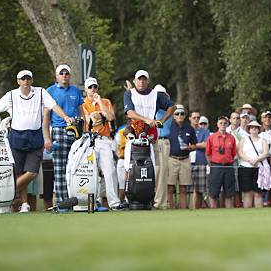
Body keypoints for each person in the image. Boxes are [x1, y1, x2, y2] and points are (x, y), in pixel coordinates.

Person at [0, 70, 69, 212]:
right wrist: (0, 124)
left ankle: (5, 193)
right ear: (18, 81)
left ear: (32, 80)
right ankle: (24, 204)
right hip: (16, 137)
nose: (26, 81)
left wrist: (65, 117)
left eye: (28, 78)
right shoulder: (11, 95)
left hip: (35, 137)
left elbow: (54, 106)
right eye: (23, 79)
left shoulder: (40, 92)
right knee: (20, 173)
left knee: (32, 172)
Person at [123, 70, 176, 209]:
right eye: (139, 79)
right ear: (135, 81)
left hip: (151, 137)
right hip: (133, 136)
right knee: (129, 169)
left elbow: (172, 107)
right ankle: (130, 200)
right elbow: (130, 113)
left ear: (148, 81)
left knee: (153, 170)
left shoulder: (156, 95)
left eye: (144, 79)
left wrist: (162, 120)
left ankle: (150, 201)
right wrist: (147, 119)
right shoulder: (129, 94)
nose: (142, 82)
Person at [81, 77, 124, 210]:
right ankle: (95, 201)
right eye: (90, 87)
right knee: (92, 172)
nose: (93, 89)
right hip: (89, 140)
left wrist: (99, 102)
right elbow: (90, 121)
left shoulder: (105, 101)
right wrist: (100, 115)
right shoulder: (82, 103)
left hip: (104, 140)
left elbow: (110, 117)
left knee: (110, 171)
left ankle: (114, 202)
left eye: (95, 87)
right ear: (86, 89)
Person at [46, 64, 82, 205]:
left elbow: (81, 111)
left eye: (66, 73)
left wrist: (82, 131)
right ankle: (62, 202)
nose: (64, 76)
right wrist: (47, 137)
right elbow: (46, 117)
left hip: (75, 131)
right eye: (61, 73)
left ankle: (77, 199)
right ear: (57, 76)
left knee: (75, 167)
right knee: (60, 168)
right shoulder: (50, 91)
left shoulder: (75, 90)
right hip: (58, 130)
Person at [167, 104, 197, 209]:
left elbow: (194, 145)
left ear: (185, 116)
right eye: (177, 114)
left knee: (183, 188)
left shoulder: (190, 128)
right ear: (173, 116)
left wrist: (189, 148)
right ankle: (170, 209)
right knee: (170, 187)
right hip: (171, 159)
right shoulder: (168, 127)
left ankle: (183, 210)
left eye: (182, 113)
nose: (179, 115)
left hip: (185, 160)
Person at [206, 116, 237, 208]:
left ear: (227, 124)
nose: (223, 125)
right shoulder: (212, 137)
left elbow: (233, 153)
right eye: (221, 123)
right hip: (216, 166)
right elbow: (208, 153)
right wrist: (211, 165)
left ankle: (229, 214)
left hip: (228, 166)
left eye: (224, 123)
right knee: (213, 193)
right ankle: (213, 213)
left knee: (229, 193)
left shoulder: (231, 138)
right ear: (217, 125)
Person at [238, 121, 269, 208]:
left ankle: (259, 214)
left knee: (258, 193)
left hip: (259, 169)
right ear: (249, 129)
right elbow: (240, 153)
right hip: (245, 168)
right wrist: (249, 160)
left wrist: (256, 160)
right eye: (252, 127)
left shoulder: (263, 140)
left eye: (256, 127)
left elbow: (266, 153)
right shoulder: (244, 140)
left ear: (259, 129)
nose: (254, 129)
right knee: (247, 193)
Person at [191, 115, 210, 208]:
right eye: (194, 117)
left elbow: (206, 144)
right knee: (187, 189)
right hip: (187, 161)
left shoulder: (205, 131)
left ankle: (197, 210)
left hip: (201, 161)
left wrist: (192, 145)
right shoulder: (186, 129)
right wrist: (199, 144)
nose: (196, 119)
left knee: (199, 190)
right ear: (190, 118)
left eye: (198, 118)